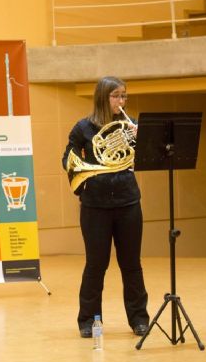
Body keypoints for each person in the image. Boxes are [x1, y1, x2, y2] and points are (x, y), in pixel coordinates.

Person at [62, 76, 150, 338]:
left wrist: (141, 140)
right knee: (96, 264)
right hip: (95, 205)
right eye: (116, 96)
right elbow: (69, 158)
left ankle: (139, 319)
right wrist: (86, 179)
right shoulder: (83, 128)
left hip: (128, 201)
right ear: (103, 97)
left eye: (124, 96)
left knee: (131, 264)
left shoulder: (130, 124)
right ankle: (89, 321)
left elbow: (144, 159)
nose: (121, 101)